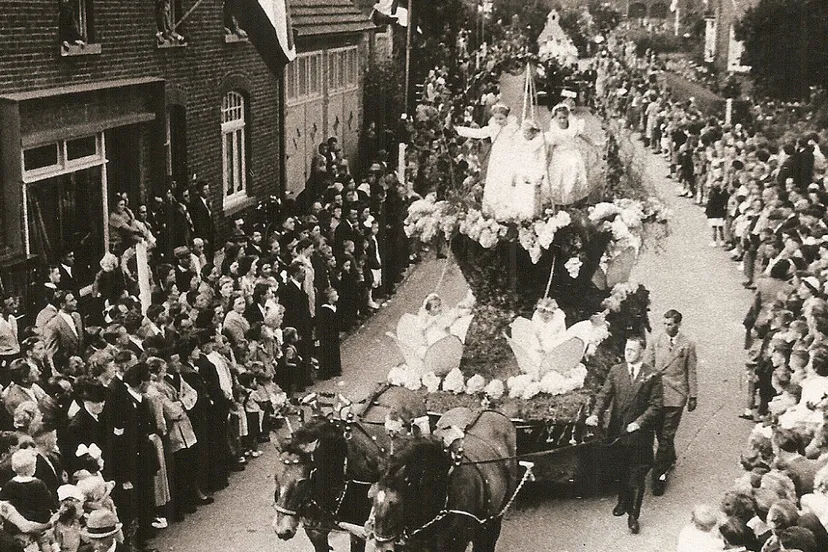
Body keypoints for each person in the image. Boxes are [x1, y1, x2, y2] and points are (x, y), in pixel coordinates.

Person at [586, 336, 663, 534]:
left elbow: (656, 406)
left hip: (639, 436)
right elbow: (605, 395)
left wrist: (638, 423)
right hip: (618, 432)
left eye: (632, 350)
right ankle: (622, 502)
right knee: (621, 469)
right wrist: (595, 414)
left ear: (642, 352)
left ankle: (634, 515)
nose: (628, 353)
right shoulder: (616, 371)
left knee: (636, 475)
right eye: (626, 349)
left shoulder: (652, 375)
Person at [644, 309, 698, 496]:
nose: (667, 328)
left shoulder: (688, 344)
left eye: (671, 324)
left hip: (676, 395)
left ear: (678, 324)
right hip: (658, 394)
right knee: (661, 433)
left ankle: (658, 477)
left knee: (666, 437)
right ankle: (670, 456)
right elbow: (647, 367)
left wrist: (693, 396)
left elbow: (691, 370)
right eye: (665, 324)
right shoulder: (655, 340)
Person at [453, 103, 521, 221]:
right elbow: (478, 133)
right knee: (494, 182)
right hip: (496, 159)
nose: (499, 121)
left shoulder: (513, 129)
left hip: (508, 158)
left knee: (506, 182)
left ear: (507, 117)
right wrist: (459, 130)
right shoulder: (493, 128)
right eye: (497, 119)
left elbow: (519, 144)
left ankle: (506, 212)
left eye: (501, 119)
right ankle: (492, 211)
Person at [543, 103, 601, 207]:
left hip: (572, 154)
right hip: (559, 155)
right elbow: (550, 151)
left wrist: (594, 143)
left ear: (568, 117)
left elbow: (583, 136)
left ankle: (573, 201)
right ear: (555, 118)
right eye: (559, 118)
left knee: (573, 173)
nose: (562, 120)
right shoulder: (554, 131)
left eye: (564, 118)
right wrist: (547, 164)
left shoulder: (573, 127)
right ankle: (560, 203)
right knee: (559, 177)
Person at [316, 288, 341, 380]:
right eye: (335, 295)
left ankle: (335, 369)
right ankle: (326, 372)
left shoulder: (333, 307)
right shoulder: (325, 310)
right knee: (327, 352)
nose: (337, 297)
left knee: (334, 350)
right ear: (330, 297)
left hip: (333, 334)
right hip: (327, 335)